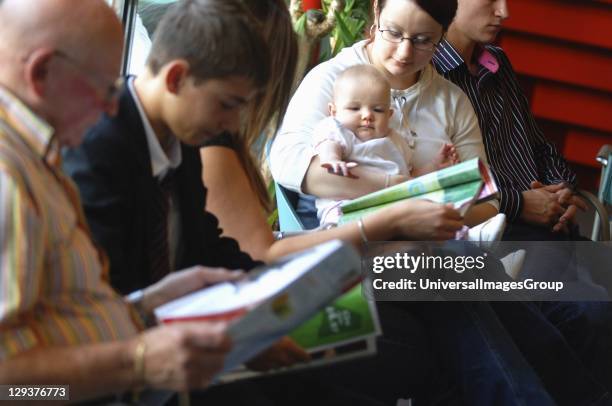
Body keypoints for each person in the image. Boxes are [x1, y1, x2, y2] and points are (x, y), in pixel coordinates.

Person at [0, 0, 247, 402]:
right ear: (41, 72)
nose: (111, 108)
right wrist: (135, 364)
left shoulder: (38, 156)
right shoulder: (9, 178)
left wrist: (148, 306)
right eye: (102, 88)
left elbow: (61, 314)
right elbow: (11, 388)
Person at [431, 0, 588, 241]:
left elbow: (539, 146)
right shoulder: (425, 74)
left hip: (553, 228)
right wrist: (520, 204)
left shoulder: (498, 62)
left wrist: (561, 189)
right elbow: (437, 184)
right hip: (492, 236)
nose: (504, 12)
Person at [313, 64, 460, 224]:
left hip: (393, 210)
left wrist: (434, 166)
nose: (367, 115)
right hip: (347, 206)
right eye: (355, 108)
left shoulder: (395, 140)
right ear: (334, 112)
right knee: (342, 223)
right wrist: (333, 159)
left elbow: (409, 178)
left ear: (389, 115)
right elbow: (328, 144)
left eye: (378, 110)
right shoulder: (339, 129)